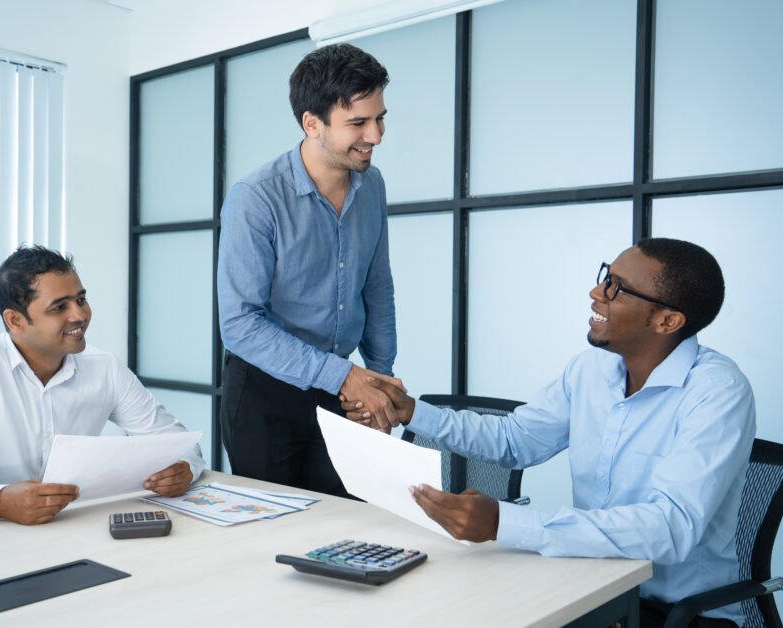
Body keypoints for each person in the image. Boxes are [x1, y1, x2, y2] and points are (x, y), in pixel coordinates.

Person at [343, 238, 754, 627]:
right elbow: (515, 440)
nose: (596, 292)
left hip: (681, 615)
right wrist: (412, 412)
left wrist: (504, 522)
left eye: (616, 288)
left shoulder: (717, 392)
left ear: (667, 320)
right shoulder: (590, 369)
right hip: (592, 587)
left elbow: (670, 528)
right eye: (605, 276)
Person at [0, 245, 204, 525]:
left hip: (74, 526)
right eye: (59, 307)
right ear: (15, 321)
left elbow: (179, 443)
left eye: (81, 299)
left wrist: (182, 469)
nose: (79, 315)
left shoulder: (104, 367)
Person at [217, 43, 403, 496]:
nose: (375, 135)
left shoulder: (372, 184)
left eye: (380, 118)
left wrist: (379, 377)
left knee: (342, 523)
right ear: (312, 122)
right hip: (265, 393)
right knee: (271, 537)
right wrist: (346, 377)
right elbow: (240, 324)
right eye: (357, 123)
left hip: (342, 386)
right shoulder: (256, 198)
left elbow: (376, 287)